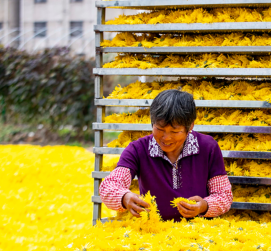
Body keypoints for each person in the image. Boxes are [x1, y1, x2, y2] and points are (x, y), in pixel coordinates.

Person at [100, 89, 233, 221]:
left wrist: (204, 206)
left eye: (175, 131)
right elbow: (109, 186)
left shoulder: (207, 147)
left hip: (199, 233)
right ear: (152, 123)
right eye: (159, 129)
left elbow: (224, 196)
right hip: (154, 233)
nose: (166, 138)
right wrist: (124, 198)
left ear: (190, 126)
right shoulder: (137, 149)